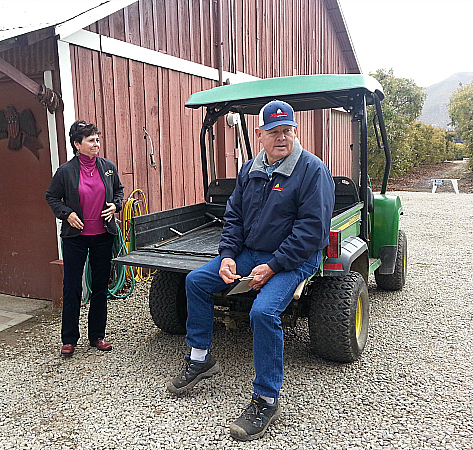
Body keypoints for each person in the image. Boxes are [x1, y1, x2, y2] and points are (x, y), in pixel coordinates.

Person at [166, 100, 335, 441]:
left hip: (293, 258)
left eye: (287, 130)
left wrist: (272, 267)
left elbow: (312, 232)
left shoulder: (312, 171)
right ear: (260, 135)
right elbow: (235, 219)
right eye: (274, 132)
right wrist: (228, 255)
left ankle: (266, 399)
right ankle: (200, 358)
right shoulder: (250, 170)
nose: (282, 137)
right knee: (197, 281)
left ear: (295, 131)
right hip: (250, 252)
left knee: (262, 312)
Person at [46, 120, 124, 356]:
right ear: (77, 144)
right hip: (75, 238)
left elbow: (119, 191)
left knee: (100, 287)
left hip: (103, 235)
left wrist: (116, 206)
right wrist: (67, 214)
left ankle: (97, 336)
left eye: (98, 139)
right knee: (72, 288)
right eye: (91, 140)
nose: (96, 144)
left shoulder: (108, 167)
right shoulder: (65, 171)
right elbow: (52, 197)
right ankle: (69, 339)